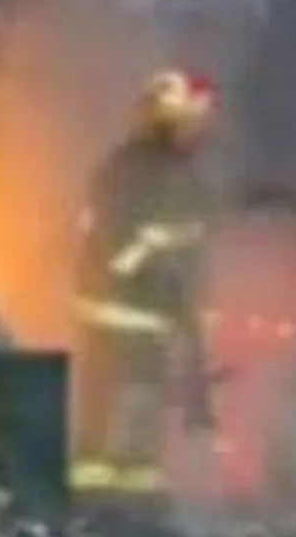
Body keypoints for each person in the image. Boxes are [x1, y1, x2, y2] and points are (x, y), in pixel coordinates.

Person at [72, 68, 220, 493]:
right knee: (124, 403)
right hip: (122, 308)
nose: (199, 131)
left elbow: (192, 239)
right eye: (191, 121)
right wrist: (156, 252)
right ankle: (107, 497)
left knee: (141, 404)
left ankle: (132, 494)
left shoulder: (169, 170)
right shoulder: (134, 169)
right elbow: (120, 247)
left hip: (146, 309)